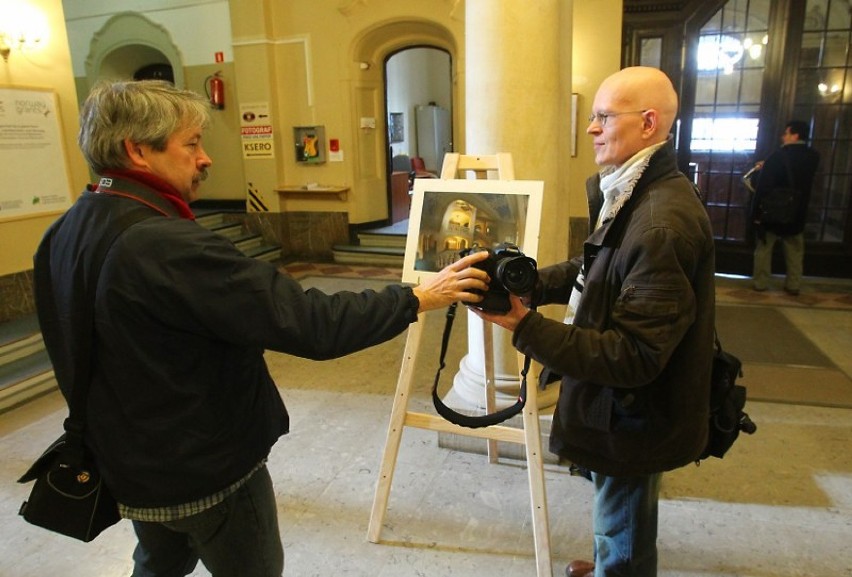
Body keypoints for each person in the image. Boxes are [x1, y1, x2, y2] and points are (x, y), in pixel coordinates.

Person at [34, 79, 490, 577]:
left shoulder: (67, 228)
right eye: (191, 144)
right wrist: (419, 297)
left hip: (130, 463)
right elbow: (313, 324)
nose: (205, 158)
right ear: (137, 150)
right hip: (204, 473)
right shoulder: (168, 246)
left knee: (157, 564)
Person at [468, 67, 716, 577]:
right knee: (620, 509)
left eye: (603, 116)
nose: (591, 128)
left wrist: (523, 325)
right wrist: (533, 287)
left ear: (648, 123)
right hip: (628, 409)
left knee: (621, 514)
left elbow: (635, 356)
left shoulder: (659, 222)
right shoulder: (636, 189)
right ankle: (610, 564)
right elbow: (596, 269)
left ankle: (617, 569)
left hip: (635, 413)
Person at [749, 120, 820, 295]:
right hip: (797, 211)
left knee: (764, 248)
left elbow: (763, 186)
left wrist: (756, 212)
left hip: (773, 211)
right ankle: (793, 284)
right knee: (795, 250)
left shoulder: (778, 157)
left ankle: (761, 283)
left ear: (795, 135)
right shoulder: (813, 157)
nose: (783, 136)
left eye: (786, 133)